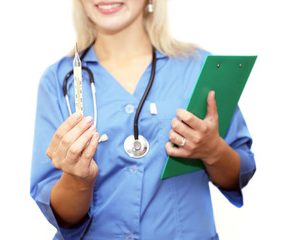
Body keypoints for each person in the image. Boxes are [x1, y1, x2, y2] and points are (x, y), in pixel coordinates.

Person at [30, 0, 256, 239]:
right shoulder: (58, 80)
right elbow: (61, 214)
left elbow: (241, 172)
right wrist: (78, 180)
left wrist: (213, 151)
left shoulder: (199, 66)